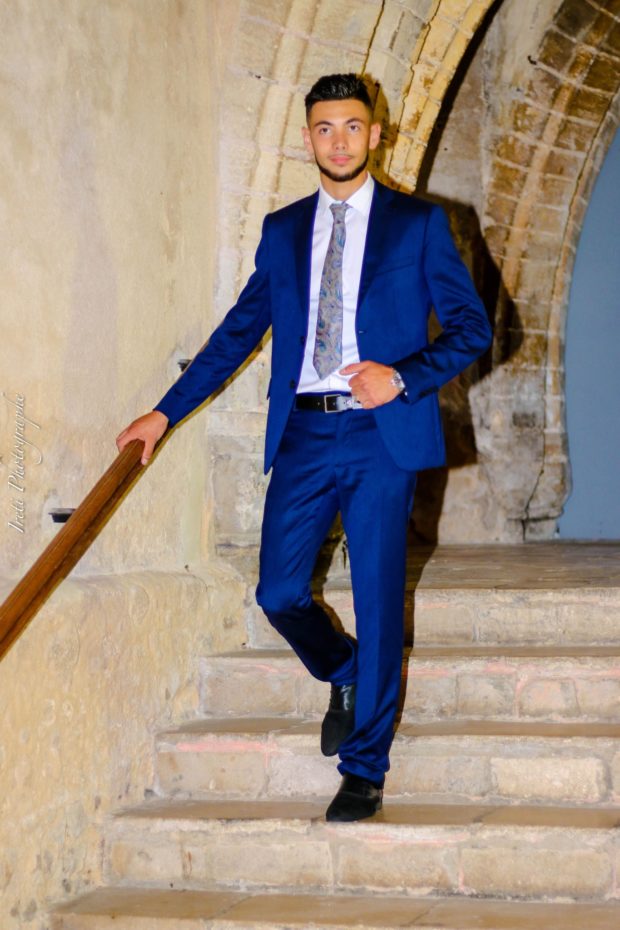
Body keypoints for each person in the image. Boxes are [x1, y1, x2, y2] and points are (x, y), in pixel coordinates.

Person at [116, 73, 492, 822]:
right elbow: (237, 333)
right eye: (325, 128)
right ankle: (342, 668)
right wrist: (164, 413)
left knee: (378, 600)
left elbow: (471, 329)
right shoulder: (284, 230)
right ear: (307, 138)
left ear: (375, 134)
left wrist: (402, 376)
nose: (339, 141)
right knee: (279, 592)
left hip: (381, 433)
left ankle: (365, 766)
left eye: (352, 126)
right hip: (306, 431)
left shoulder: (418, 224)